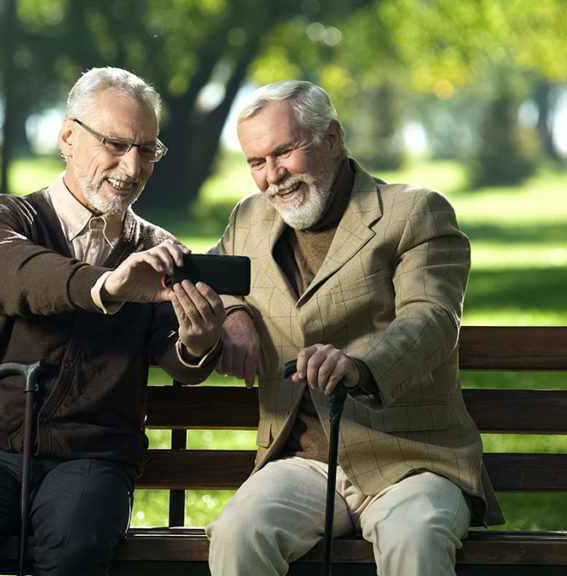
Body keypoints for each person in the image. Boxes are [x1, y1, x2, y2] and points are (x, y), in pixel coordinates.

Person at [0, 67, 225, 576]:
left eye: (147, 150)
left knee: (74, 553)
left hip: (93, 455)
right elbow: (15, 275)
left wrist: (197, 342)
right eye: (117, 145)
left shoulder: (159, 251)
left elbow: (179, 356)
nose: (132, 166)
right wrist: (107, 286)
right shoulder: (1, 221)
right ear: (67, 138)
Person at [205, 80, 504, 576]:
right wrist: (234, 312)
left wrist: (360, 365)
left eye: (285, 152)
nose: (272, 176)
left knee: (416, 538)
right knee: (238, 535)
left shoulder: (415, 212)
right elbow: (217, 277)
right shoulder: (249, 218)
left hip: (412, 461)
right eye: (256, 162)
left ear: (332, 137)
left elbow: (430, 317)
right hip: (301, 463)